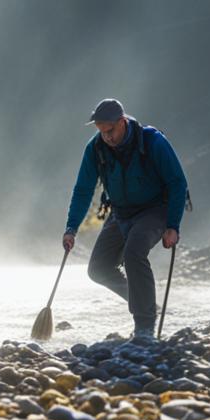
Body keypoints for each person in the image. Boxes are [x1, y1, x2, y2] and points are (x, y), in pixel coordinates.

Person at [62, 99, 189, 340]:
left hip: (155, 210)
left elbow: (177, 182)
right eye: (101, 131)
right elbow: (83, 190)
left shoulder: (152, 141)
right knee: (98, 269)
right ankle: (147, 304)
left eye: (109, 130)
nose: (106, 137)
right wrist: (71, 228)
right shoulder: (96, 148)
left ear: (122, 122)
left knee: (134, 252)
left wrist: (173, 225)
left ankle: (144, 326)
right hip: (120, 212)